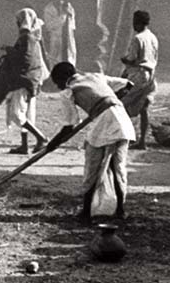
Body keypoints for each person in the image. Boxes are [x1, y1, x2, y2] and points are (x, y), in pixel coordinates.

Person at [49, 61, 134, 222]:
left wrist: (52, 144)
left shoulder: (69, 91)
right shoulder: (95, 76)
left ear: (63, 78)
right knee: (118, 167)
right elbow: (128, 84)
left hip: (106, 123)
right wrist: (116, 97)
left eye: (57, 83)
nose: (58, 86)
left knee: (92, 166)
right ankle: (120, 211)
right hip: (122, 120)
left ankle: (87, 212)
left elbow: (69, 125)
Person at [0, 8, 49, 155]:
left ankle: (41, 138)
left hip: (23, 80)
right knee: (26, 113)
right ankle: (24, 145)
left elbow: (25, 59)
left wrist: (9, 50)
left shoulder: (26, 37)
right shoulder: (33, 37)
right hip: (29, 79)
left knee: (16, 114)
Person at [120, 9, 159, 150]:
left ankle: (127, 138)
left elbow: (131, 59)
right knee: (144, 108)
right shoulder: (153, 37)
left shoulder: (138, 39)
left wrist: (124, 60)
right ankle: (142, 141)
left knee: (122, 105)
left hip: (138, 74)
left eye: (134, 23)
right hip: (151, 75)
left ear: (137, 23)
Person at [43, 0, 77, 65]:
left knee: (70, 58)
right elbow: (49, 26)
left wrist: (69, 14)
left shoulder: (68, 6)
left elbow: (72, 25)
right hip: (55, 38)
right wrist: (62, 17)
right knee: (55, 60)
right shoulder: (48, 9)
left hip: (68, 38)